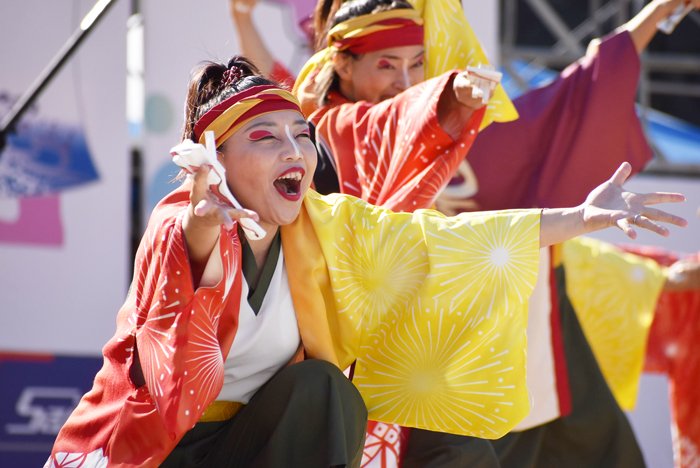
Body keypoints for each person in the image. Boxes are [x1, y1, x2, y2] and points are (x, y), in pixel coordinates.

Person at [45, 55, 685, 468]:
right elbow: (175, 313)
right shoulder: (177, 222)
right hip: (157, 449)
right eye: (264, 138)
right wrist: (203, 224)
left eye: (302, 136)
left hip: (258, 445)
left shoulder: (323, 230)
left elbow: (440, 242)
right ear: (211, 161)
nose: (295, 150)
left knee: (331, 392)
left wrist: (582, 216)